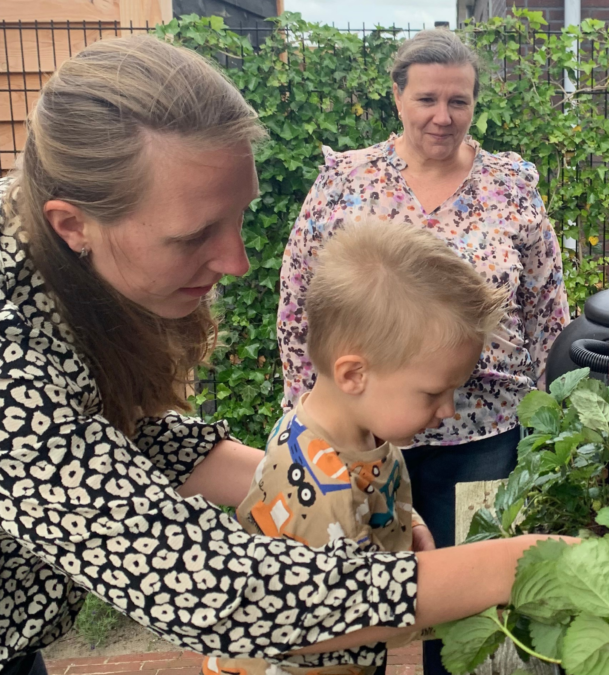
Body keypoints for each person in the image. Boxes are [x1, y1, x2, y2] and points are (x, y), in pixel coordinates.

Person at [0, 34, 564, 675]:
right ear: (73, 224)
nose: (237, 261)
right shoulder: (8, 353)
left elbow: (127, 437)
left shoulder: (58, 268)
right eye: (194, 235)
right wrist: (522, 564)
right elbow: (213, 590)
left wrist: (334, 482)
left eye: (239, 218)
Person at [277, 29, 570, 674]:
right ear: (397, 96)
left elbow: (546, 306)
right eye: (427, 99)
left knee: (471, 608)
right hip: (365, 437)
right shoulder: (347, 180)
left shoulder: (510, 185)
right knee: (348, 603)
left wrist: (549, 414)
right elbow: (299, 300)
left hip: (483, 432)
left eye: (458, 101)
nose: (443, 116)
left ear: (474, 104)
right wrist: (308, 410)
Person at [206, 222, 509, 675]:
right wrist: (471, 596)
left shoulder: (348, 433)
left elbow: (375, 490)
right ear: (354, 375)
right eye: (433, 393)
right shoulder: (325, 495)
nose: (449, 410)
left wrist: (409, 523)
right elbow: (354, 613)